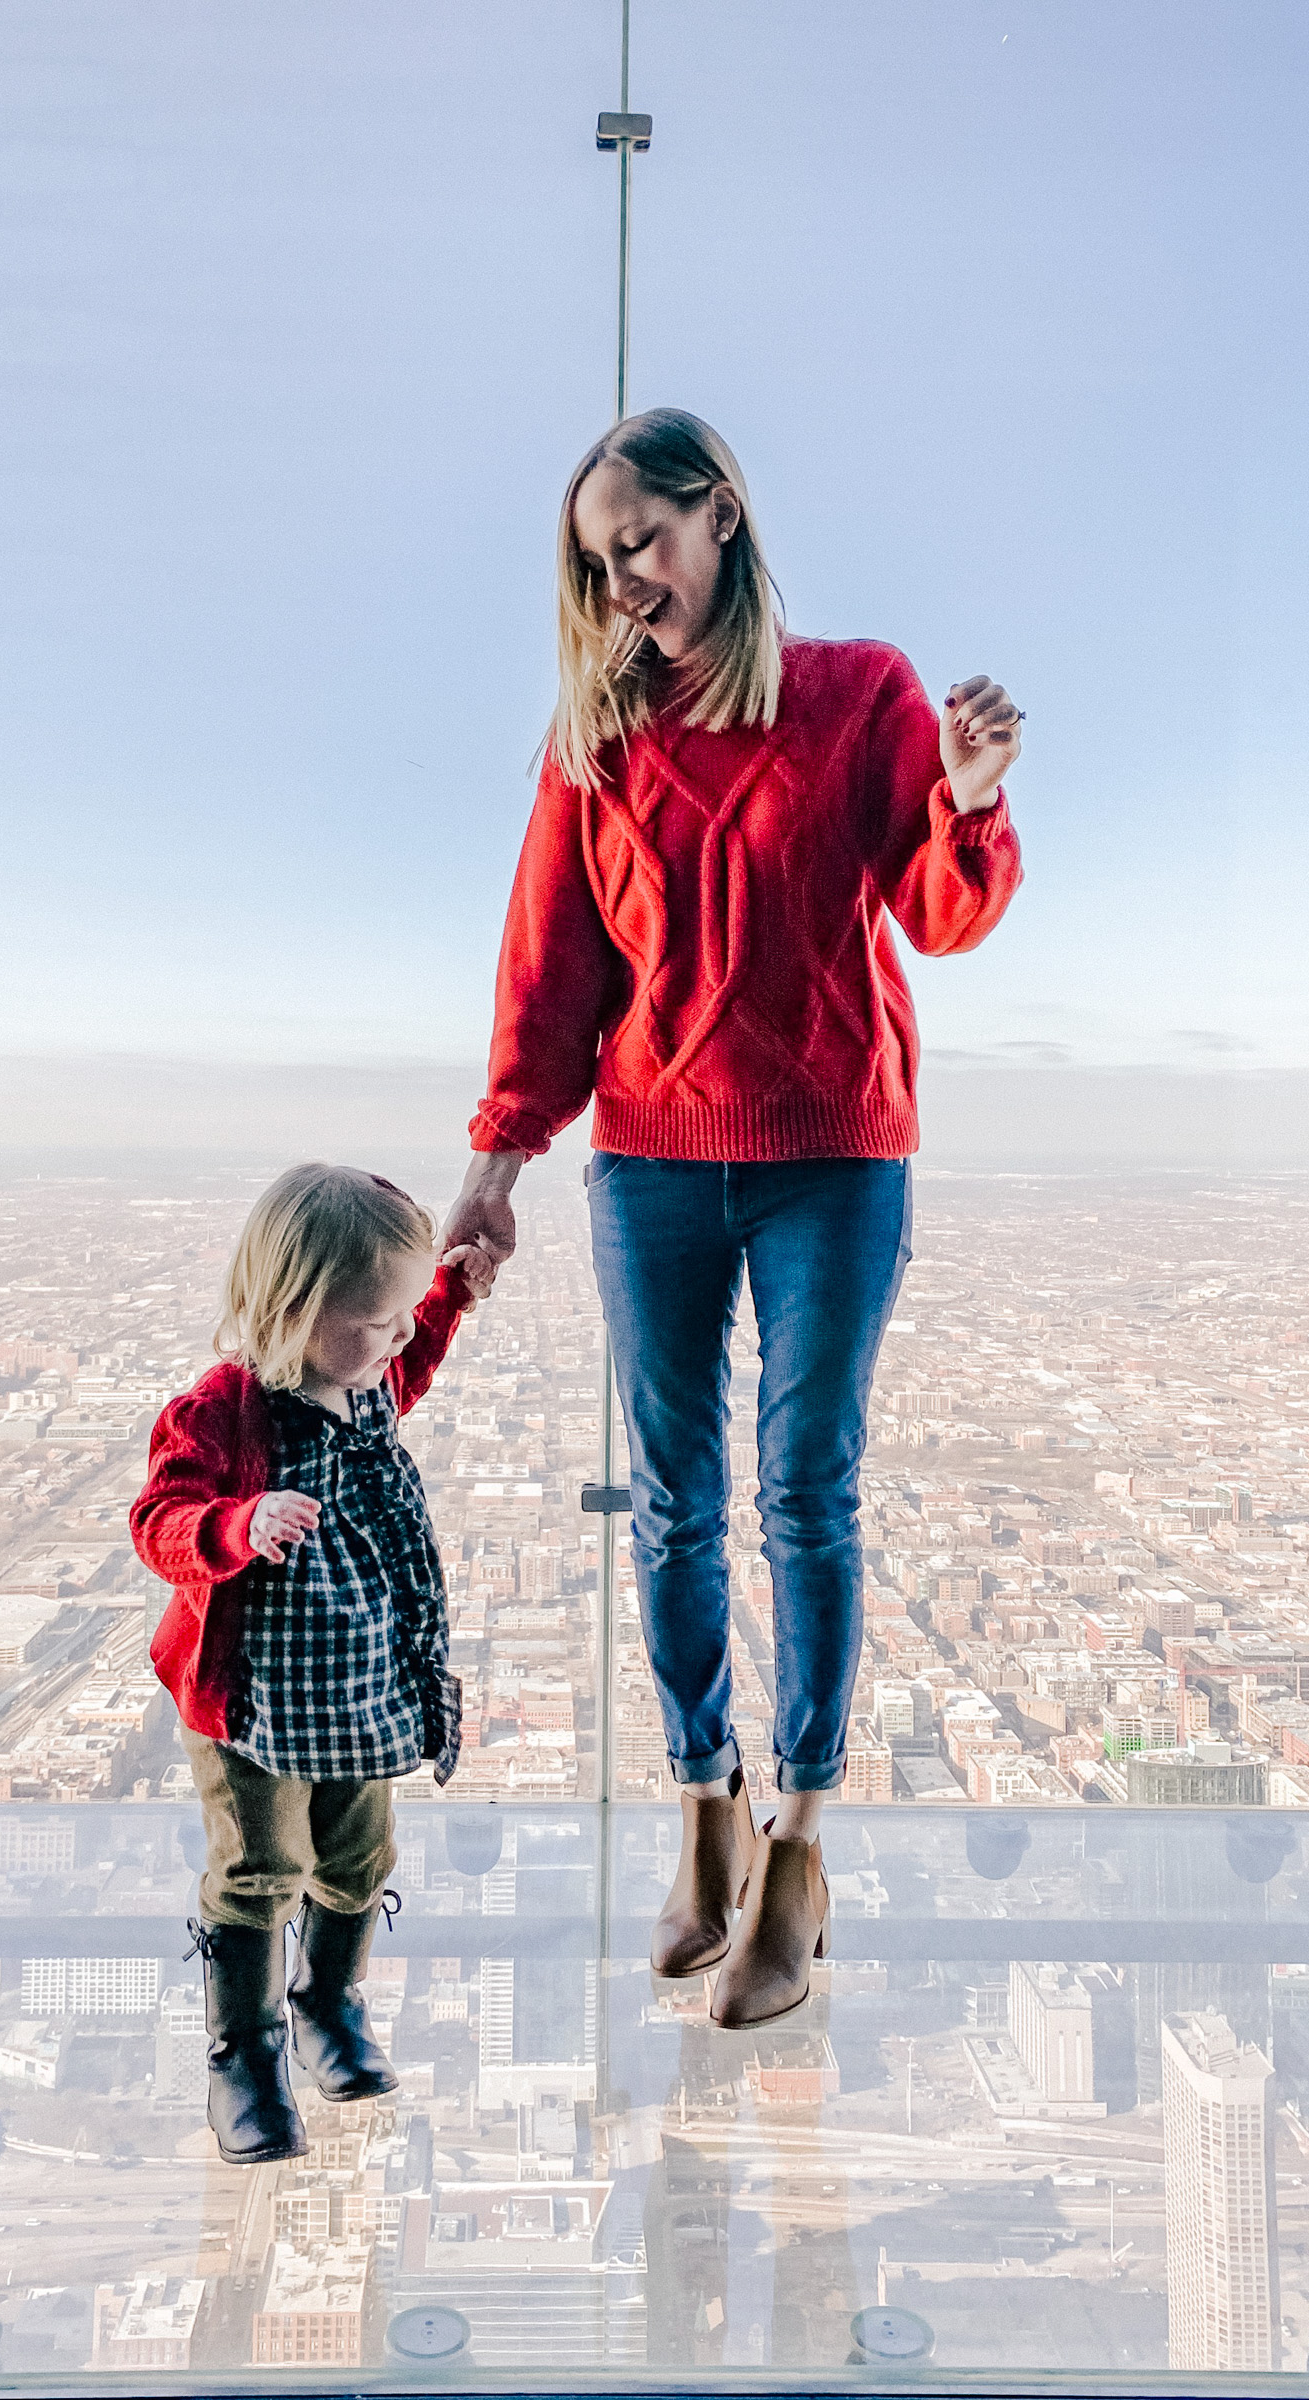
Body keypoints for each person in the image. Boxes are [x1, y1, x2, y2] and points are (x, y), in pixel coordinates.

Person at [442, 408, 1024, 2030]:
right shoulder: (595, 739)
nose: (619, 577)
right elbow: (549, 971)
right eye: (593, 558)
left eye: (638, 539)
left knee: (805, 1493)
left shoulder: (859, 696)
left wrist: (965, 799)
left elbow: (941, 912)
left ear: (719, 520)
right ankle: (703, 1799)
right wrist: (495, 1165)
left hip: (836, 1153)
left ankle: (801, 1841)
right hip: (648, 1160)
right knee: (680, 1502)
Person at [132, 1163, 494, 2163]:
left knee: (357, 1862)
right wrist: (237, 1524)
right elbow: (158, 1524)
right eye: (381, 1320)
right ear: (299, 1313)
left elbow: (411, 1363)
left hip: (360, 1695)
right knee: (258, 1873)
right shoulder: (223, 1411)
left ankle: (328, 2003)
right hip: (251, 1707)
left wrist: (449, 1294)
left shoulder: (365, 1380)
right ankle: (243, 2054)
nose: (402, 1337)